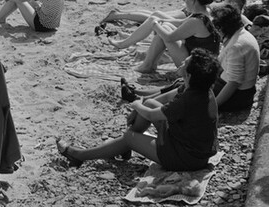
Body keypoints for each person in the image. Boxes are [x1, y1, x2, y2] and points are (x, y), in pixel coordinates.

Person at [56, 48, 221, 171]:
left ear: (189, 75)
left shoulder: (188, 100)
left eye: (186, 63)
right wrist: (141, 105)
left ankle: (80, 155)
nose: (182, 62)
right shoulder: (200, 88)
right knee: (148, 104)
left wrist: (135, 104)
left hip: (186, 159)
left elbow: (151, 115)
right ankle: (124, 147)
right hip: (187, 143)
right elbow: (161, 100)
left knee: (130, 136)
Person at [108, 0, 219, 73]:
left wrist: (156, 25)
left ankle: (146, 64)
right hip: (200, 58)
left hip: (196, 66)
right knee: (159, 19)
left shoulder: (196, 21)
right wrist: (159, 20)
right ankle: (147, 63)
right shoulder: (204, 12)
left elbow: (169, 38)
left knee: (163, 30)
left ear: (193, 0)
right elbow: (181, 22)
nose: (185, 1)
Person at [212, 4, 260, 112]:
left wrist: (214, 106)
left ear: (221, 28)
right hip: (231, 85)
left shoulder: (236, 46)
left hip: (238, 95)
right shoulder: (239, 34)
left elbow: (234, 82)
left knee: (192, 96)